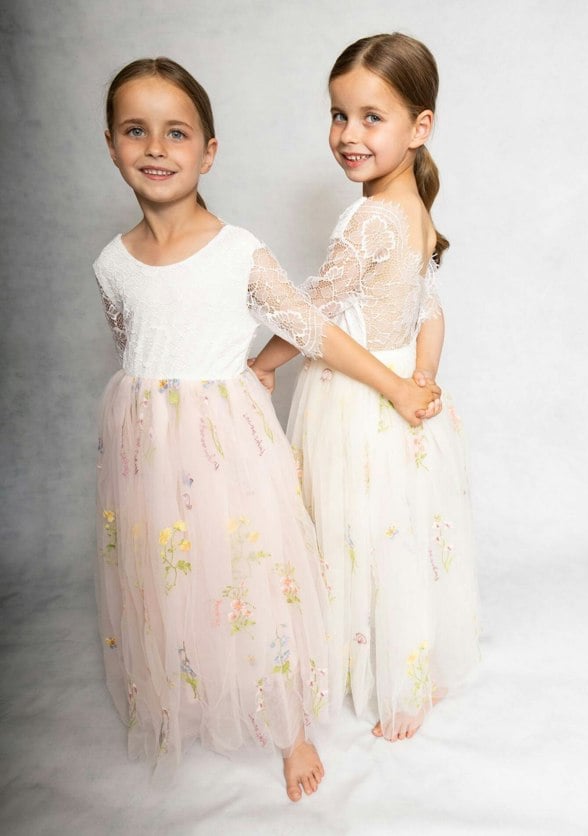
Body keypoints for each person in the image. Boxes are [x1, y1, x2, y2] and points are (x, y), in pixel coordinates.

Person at [93, 57, 440, 798]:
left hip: (226, 440)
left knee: (246, 566)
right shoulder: (111, 264)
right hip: (147, 444)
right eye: (135, 131)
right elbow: (129, 342)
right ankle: (187, 686)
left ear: (207, 151)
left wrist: (396, 386)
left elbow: (314, 326)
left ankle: (288, 725)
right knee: (167, 564)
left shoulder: (238, 251)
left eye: (176, 132)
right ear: (112, 144)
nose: (155, 147)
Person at [251, 33, 480, 743]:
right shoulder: (416, 210)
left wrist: (264, 363)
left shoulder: (370, 216)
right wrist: (423, 374)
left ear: (419, 127)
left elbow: (312, 313)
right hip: (399, 394)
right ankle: (404, 670)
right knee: (395, 533)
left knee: (357, 533)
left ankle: (387, 682)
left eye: (371, 118)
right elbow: (431, 312)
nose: (348, 135)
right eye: (338, 115)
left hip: (357, 401)